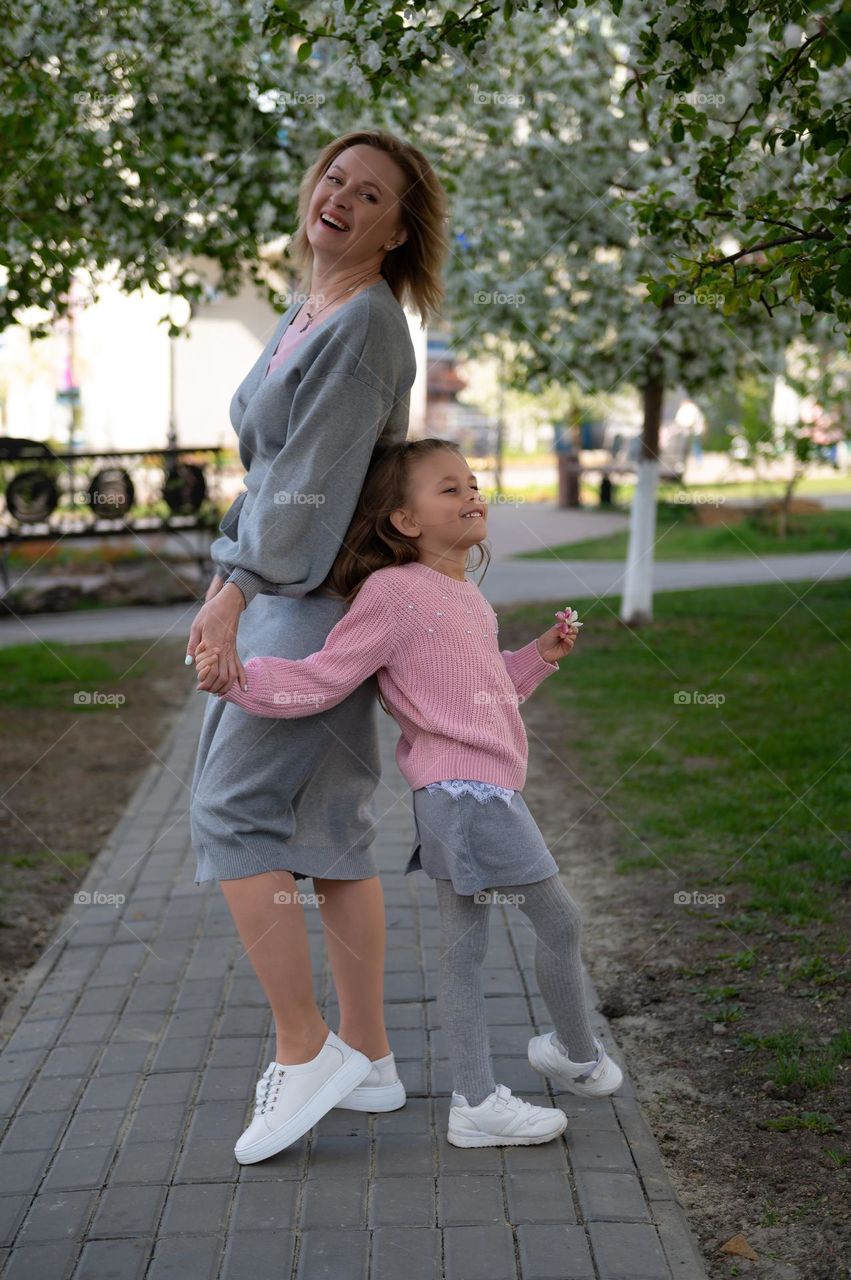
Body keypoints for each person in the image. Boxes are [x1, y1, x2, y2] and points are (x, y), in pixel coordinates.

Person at [195, 438, 623, 1156]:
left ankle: (477, 1101)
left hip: (478, 792)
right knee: (560, 922)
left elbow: (486, 693)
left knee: (463, 951)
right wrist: (238, 681)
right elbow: (326, 678)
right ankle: (572, 1055)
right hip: (466, 797)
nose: (472, 495)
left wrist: (537, 659)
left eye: (474, 483)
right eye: (448, 489)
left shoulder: (464, 595)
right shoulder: (392, 594)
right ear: (403, 520)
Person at [186, 129, 449, 1166]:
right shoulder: (312, 309)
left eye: (369, 193)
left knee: (228, 807)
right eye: (335, 178)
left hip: (310, 595)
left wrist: (234, 591)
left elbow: (303, 488)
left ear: (395, 230)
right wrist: (230, 579)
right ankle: (370, 1057)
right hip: (308, 588)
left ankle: (305, 1051)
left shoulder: (370, 325)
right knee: (329, 829)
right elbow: (276, 463)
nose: (340, 197)